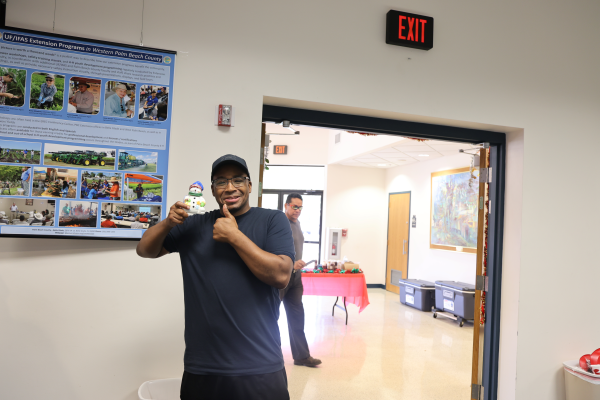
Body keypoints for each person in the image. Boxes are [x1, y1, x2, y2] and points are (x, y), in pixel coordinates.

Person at [136, 154, 295, 400]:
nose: (230, 187)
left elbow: (281, 275)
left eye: (238, 180)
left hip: (261, 366)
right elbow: (145, 250)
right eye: (221, 181)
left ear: (249, 185)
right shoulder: (194, 224)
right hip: (203, 369)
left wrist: (234, 235)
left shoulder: (272, 220)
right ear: (212, 190)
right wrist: (168, 223)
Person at [279, 193, 322, 368]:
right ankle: (266, 356)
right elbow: (271, 251)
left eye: (300, 207)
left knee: (297, 317)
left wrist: (297, 265)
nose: (297, 210)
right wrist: (290, 263)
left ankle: (302, 356)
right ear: (286, 205)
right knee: (270, 317)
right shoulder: (279, 224)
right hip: (281, 277)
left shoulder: (298, 225)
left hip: (296, 279)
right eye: (294, 206)